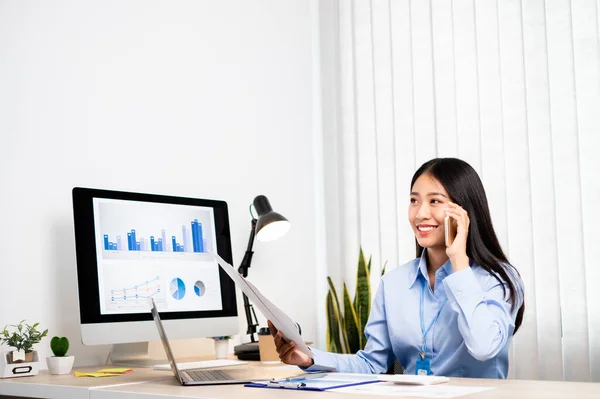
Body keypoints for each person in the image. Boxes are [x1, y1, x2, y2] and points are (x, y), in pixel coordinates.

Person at [268, 157, 525, 378]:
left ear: (464, 211)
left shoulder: (499, 279)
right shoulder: (394, 283)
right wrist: (310, 359)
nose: (421, 213)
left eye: (434, 201)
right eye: (414, 200)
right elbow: (371, 364)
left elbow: (483, 347)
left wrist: (458, 259)